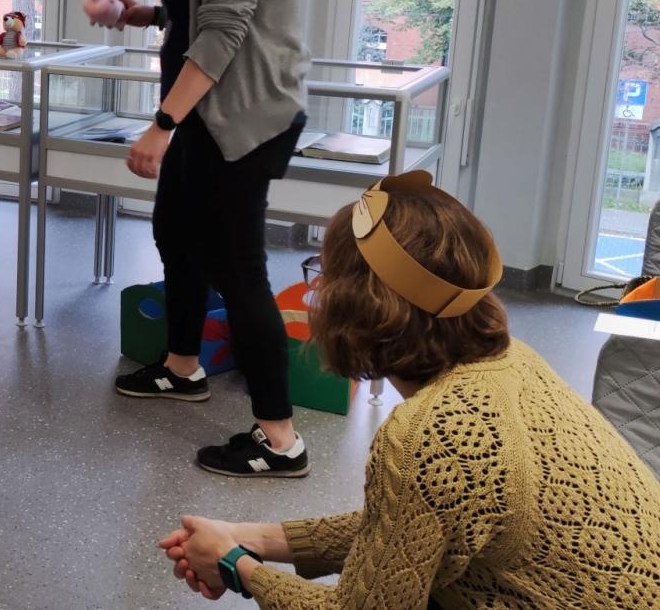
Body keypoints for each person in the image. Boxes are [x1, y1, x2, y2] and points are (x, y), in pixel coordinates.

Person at [159, 171, 660, 607]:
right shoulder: (514, 360)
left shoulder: (432, 433)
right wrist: (255, 538)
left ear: (357, 307)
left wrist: (233, 565)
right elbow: (411, 529)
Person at [104, 0, 313, 477]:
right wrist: (138, 14)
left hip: (238, 124)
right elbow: (202, 9)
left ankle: (279, 437)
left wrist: (161, 124)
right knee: (176, 235)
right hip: (210, 122)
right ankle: (182, 366)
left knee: (238, 268)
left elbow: (224, 32)